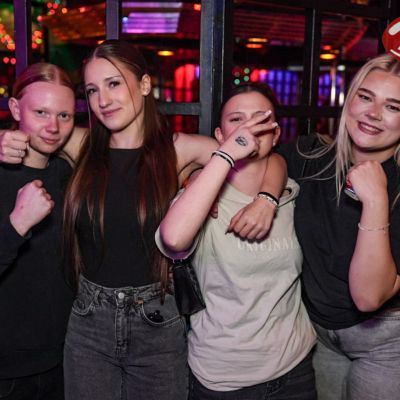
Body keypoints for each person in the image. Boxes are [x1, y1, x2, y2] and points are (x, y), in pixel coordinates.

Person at [61, 40, 286, 400]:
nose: (103, 99)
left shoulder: (179, 149)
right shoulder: (81, 145)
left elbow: (264, 154)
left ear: (145, 84)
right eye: (92, 90)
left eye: (114, 83)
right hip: (89, 322)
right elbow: (27, 133)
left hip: (157, 321)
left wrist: (267, 198)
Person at [157, 83, 317, 400]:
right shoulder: (203, 199)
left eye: (260, 119)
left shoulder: (293, 192)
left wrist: (267, 199)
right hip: (224, 378)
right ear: (220, 135)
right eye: (237, 119)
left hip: (295, 368)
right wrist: (225, 156)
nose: (249, 127)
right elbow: (172, 240)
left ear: (275, 133)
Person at [276, 53, 400, 399]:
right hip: (318, 332)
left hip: (387, 339)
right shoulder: (309, 156)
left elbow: (368, 296)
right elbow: (244, 158)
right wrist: (264, 196)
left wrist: (375, 202)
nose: (373, 113)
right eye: (366, 97)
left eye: (393, 107)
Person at [0, 63, 75, 399]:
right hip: (7, 372)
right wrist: (17, 224)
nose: (53, 127)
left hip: (64, 360)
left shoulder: (68, 176)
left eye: (64, 115)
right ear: (16, 109)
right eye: (41, 112)